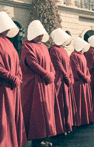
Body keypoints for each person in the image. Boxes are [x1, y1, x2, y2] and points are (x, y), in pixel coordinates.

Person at [21, 20, 56, 147]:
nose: (41, 37)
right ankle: (35, 141)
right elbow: (32, 63)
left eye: (42, 35)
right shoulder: (27, 46)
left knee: (45, 112)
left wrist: (52, 73)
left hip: (45, 84)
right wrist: (47, 75)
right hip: (34, 85)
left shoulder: (42, 46)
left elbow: (50, 62)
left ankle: (41, 138)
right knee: (36, 113)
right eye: (38, 34)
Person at [0, 11, 27, 147]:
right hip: (4, 86)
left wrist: (18, 76)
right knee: (4, 117)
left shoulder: (9, 43)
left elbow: (18, 62)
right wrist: (12, 78)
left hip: (13, 86)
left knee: (11, 116)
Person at [49, 28, 74, 134]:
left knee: (65, 104)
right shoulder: (54, 50)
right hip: (59, 81)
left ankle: (65, 125)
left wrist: (70, 77)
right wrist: (67, 77)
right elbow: (59, 66)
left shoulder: (62, 50)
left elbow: (68, 65)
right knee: (60, 104)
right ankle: (60, 127)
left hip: (64, 80)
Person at [70, 37, 94, 126]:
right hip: (79, 82)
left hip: (84, 82)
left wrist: (88, 76)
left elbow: (86, 68)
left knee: (84, 102)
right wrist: (85, 77)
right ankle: (80, 120)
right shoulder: (74, 55)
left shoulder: (81, 55)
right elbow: (76, 69)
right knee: (80, 102)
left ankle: (85, 119)